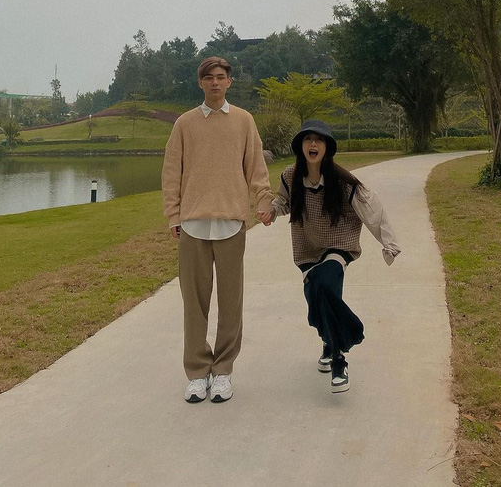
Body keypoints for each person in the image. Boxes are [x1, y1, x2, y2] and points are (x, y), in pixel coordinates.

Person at [162, 56, 274, 404]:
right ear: (200, 82)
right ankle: (198, 373)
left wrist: (264, 200)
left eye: (221, 77)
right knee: (194, 304)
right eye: (209, 77)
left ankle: (223, 370)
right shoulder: (185, 124)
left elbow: (256, 168)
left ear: (229, 82)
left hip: (231, 224)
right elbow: (171, 173)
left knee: (230, 302)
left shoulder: (243, 121)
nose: (215, 82)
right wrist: (173, 215)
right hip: (192, 225)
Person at [264, 120, 401, 394]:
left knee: (327, 286)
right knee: (316, 301)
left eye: (319, 140)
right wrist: (272, 211)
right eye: (308, 139)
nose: (313, 144)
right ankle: (328, 341)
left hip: (339, 244)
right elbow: (283, 201)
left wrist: (389, 244)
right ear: (300, 146)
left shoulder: (343, 181)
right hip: (307, 248)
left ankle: (339, 360)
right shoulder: (290, 176)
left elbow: (372, 210)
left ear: (327, 147)